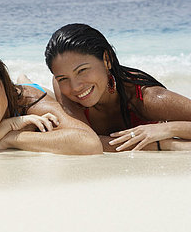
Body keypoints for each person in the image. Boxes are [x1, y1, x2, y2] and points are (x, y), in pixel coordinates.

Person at [45, 23, 191, 151]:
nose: (75, 87)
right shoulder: (61, 84)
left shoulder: (147, 98)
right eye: (63, 78)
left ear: (107, 60)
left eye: (82, 70)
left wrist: (167, 129)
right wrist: (163, 144)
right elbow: (84, 140)